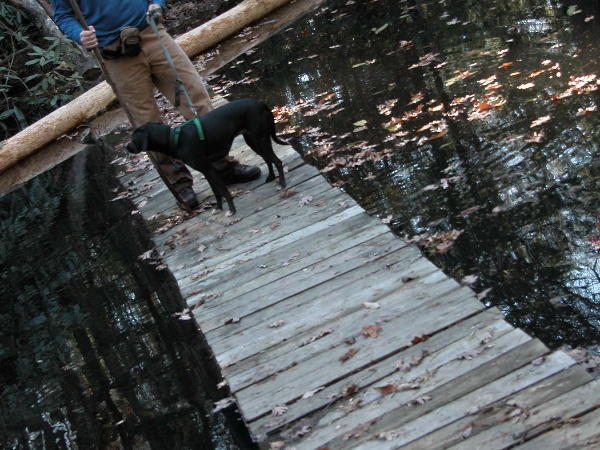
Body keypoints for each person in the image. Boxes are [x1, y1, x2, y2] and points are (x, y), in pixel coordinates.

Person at [50, 0, 261, 209]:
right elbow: (63, 16)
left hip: (152, 34)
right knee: (147, 125)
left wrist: (158, 4)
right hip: (114, 53)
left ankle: (223, 168)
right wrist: (80, 35)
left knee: (196, 101)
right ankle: (180, 184)